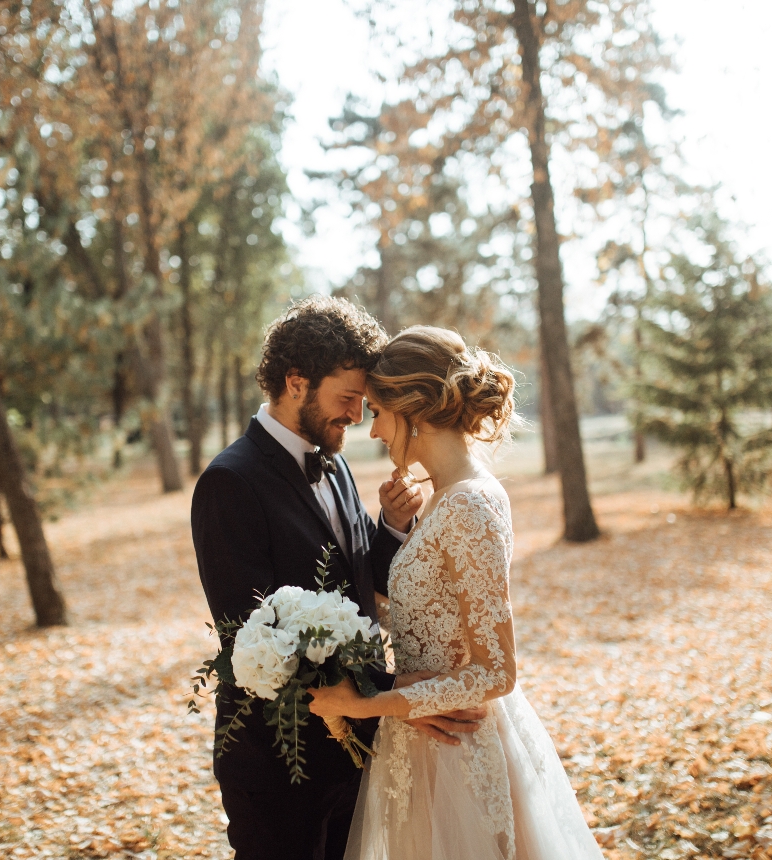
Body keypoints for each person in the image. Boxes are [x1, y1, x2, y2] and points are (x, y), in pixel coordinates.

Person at [192, 299, 487, 860]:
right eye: (346, 398)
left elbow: (352, 590)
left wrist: (391, 529)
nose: (357, 415)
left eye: (362, 401)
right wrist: (393, 692)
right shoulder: (229, 483)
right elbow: (252, 638)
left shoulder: (338, 464)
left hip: (356, 749)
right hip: (279, 760)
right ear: (295, 382)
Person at [308, 326, 606, 860]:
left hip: (457, 753)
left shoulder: (470, 505)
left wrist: (372, 703)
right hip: (421, 749)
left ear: (411, 408)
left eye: (377, 410)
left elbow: (497, 671)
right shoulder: (443, 499)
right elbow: (430, 618)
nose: (373, 430)